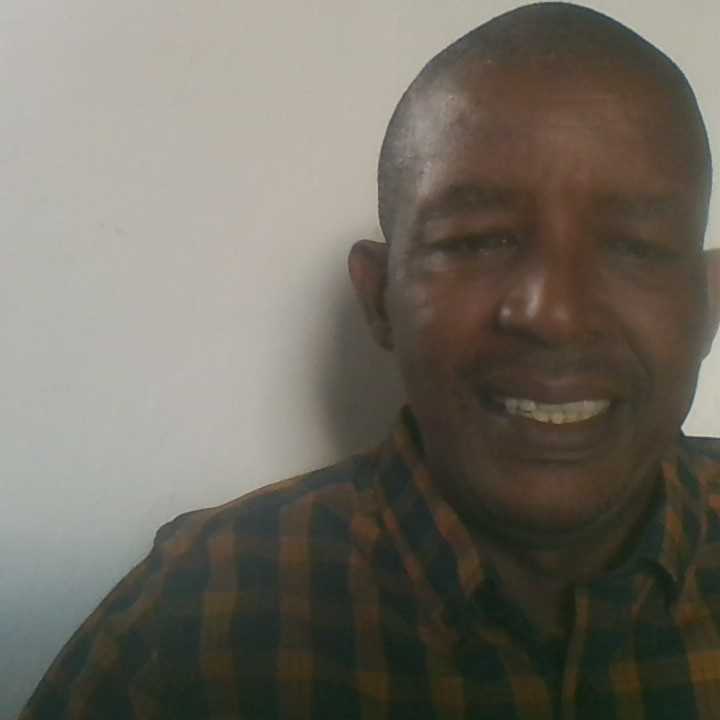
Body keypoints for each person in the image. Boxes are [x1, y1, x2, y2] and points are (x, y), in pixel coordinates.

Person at [20, 3, 720, 718]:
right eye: (478, 241)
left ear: (709, 304)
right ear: (380, 297)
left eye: (634, 248)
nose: (554, 314)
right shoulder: (198, 616)